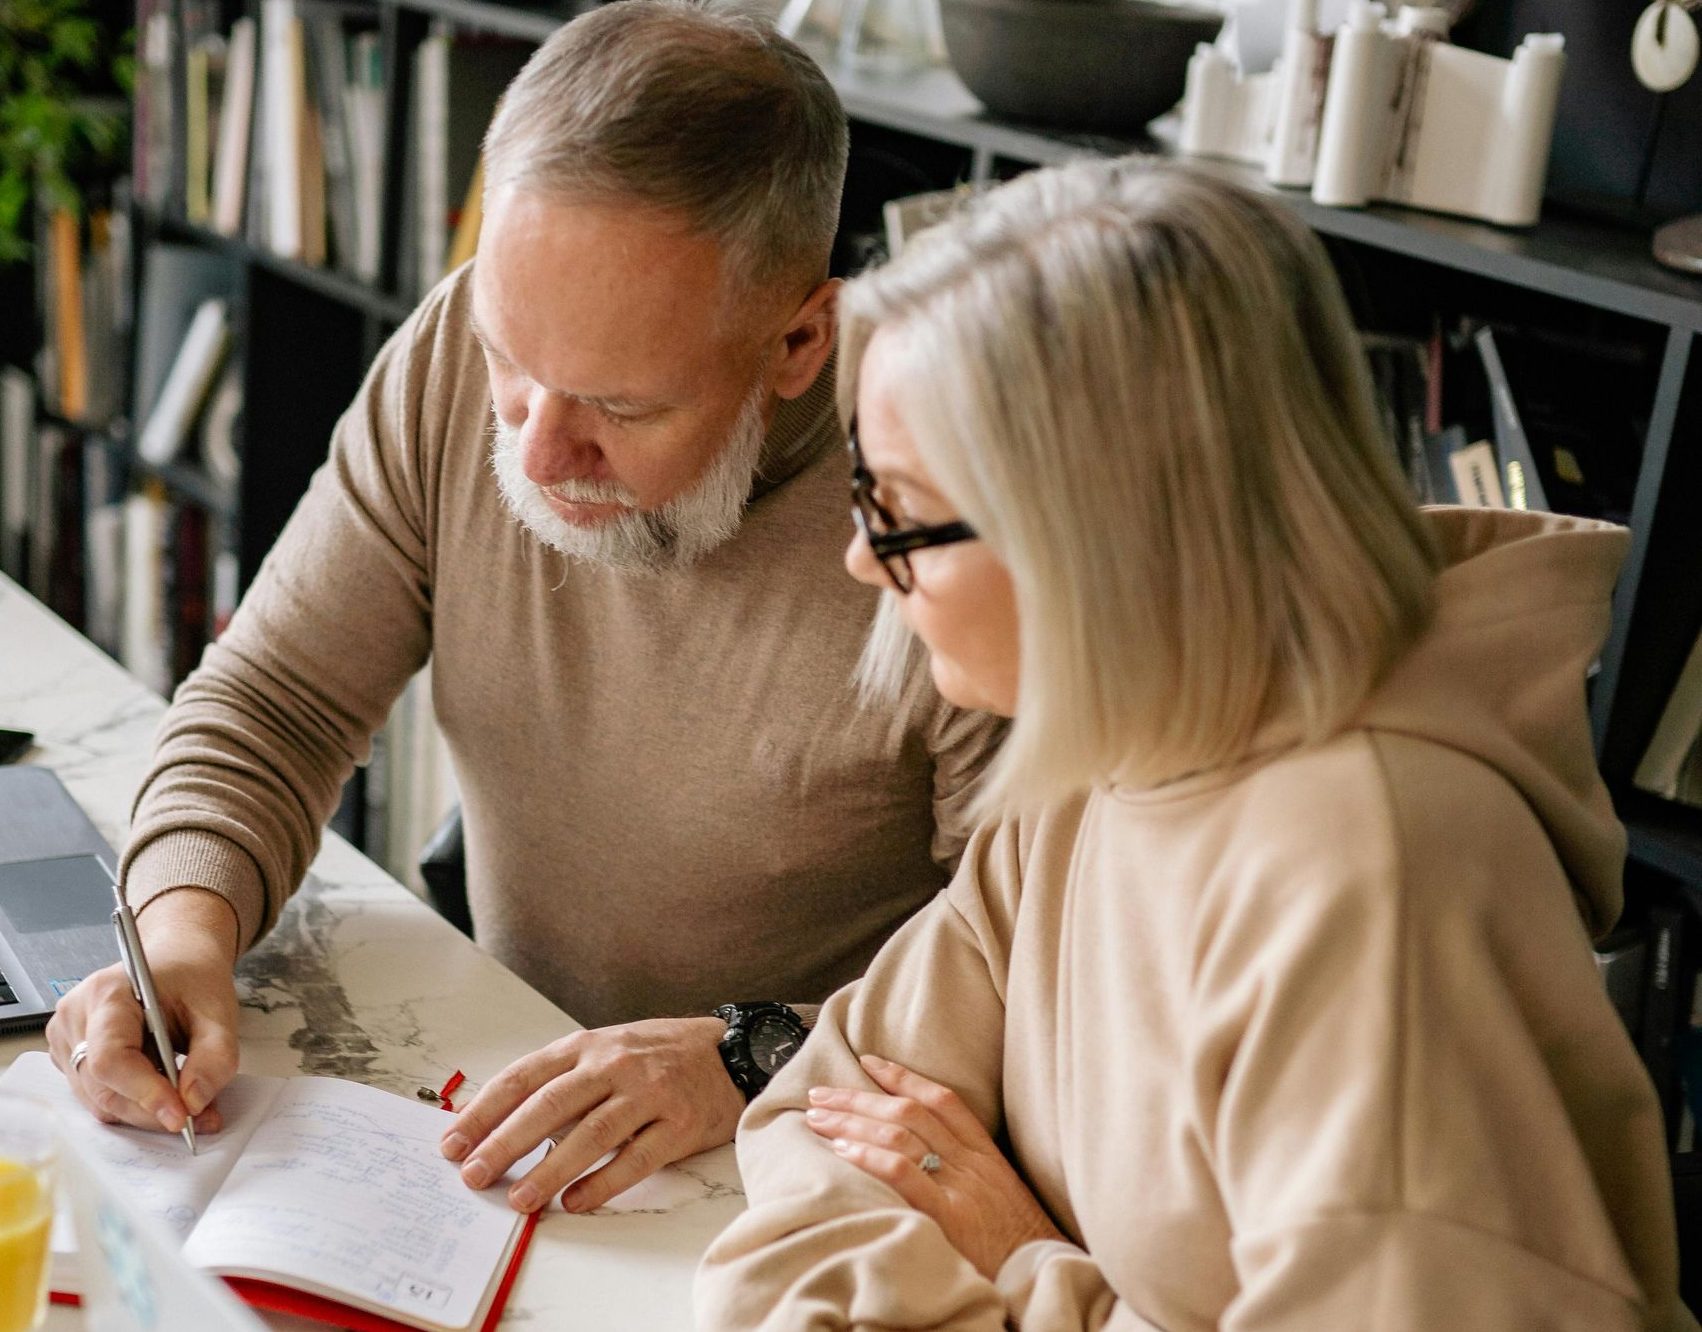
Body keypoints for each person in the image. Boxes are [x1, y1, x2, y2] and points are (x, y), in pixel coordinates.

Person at [694, 159, 1692, 1330]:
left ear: (1096, 537)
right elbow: (827, 1119)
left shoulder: (1376, 884)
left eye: (901, 510)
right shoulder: (1103, 755)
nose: (864, 558)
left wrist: (1025, 1263)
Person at [44, 0, 1001, 1216]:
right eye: (512, 359)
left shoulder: (952, 502)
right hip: (496, 1067)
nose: (538, 454)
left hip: (798, 1164)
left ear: (799, 341)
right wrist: (183, 931)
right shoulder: (456, 349)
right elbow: (277, 698)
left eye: (621, 406)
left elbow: (1036, 970)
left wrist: (749, 1055)